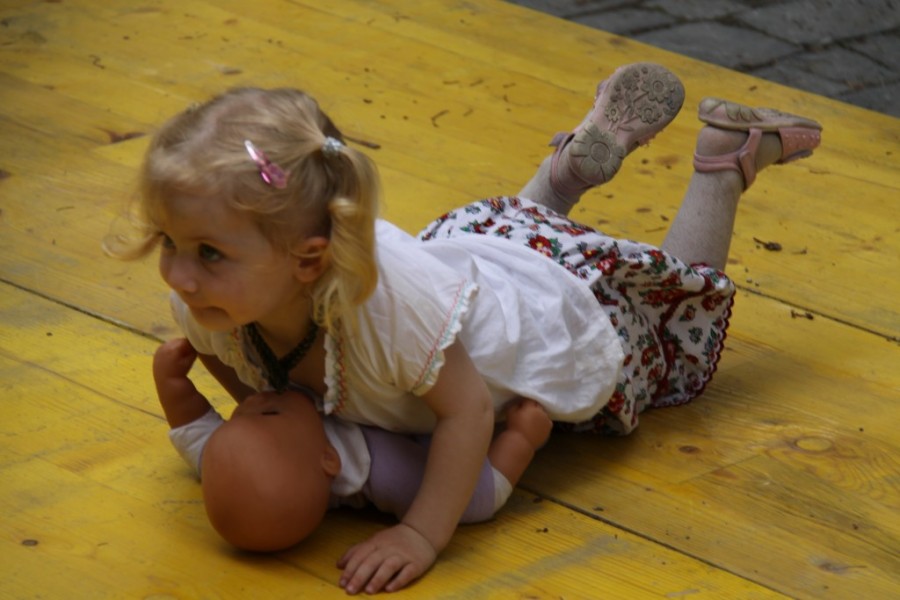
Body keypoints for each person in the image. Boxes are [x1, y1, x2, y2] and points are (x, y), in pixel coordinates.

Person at [105, 61, 821, 594]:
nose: (178, 274)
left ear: (309, 260)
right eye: (169, 241)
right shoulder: (211, 302)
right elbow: (236, 367)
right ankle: (566, 172)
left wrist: (421, 532)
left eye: (207, 252)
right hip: (475, 264)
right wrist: (265, 426)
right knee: (512, 237)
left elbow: (470, 411)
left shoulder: (387, 313)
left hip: (550, 320)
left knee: (671, 319)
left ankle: (725, 160)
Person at [152, 337, 552, 552]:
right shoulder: (378, 468)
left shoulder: (230, 466)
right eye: (269, 413)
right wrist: (520, 440)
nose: (251, 402)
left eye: (237, 416)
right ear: (329, 458)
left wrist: (171, 382)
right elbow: (476, 498)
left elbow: (195, 433)